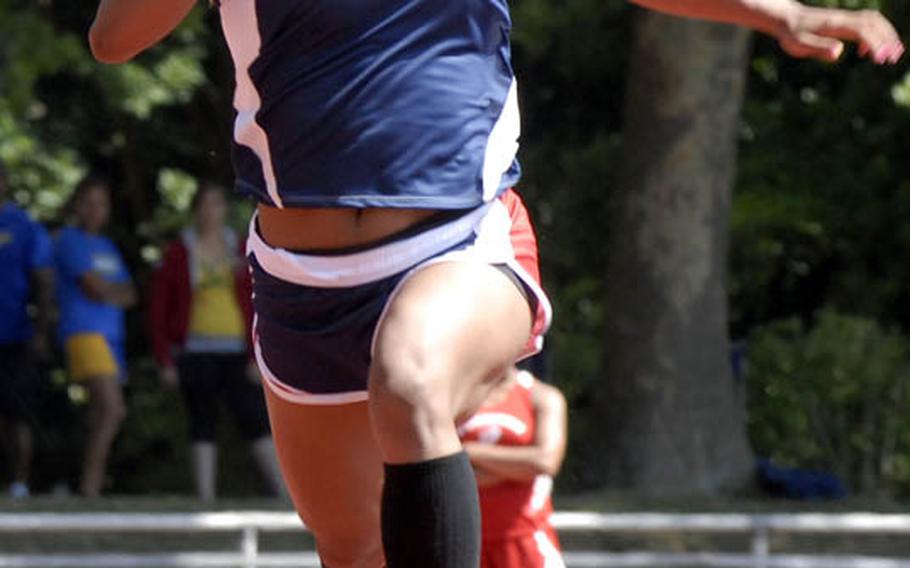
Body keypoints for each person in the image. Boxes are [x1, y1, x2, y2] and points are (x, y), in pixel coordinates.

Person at [87, 0, 902, 565]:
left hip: (458, 239)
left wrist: (778, 14)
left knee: (408, 379)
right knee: (352, 547)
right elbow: (113, 38)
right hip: (301, 279)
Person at [149, 181, 286, 502]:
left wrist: (258, 354)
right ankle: (205, 497)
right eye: (205, 204)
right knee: (202, 419)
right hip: (194, 350)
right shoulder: (178, 251)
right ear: (195, 210)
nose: (211, 211)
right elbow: (158, 310)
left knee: (254, 417)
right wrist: (164, 360)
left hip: (237, 349)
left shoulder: (240, 246)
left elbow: (258, 302)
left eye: (217, 203)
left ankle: (283, 494)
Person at [55, 175, 136, 498]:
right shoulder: (69, 240)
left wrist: (108, 292)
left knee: (98, 414)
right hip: (84, 332)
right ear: (76, 205)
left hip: (110, 336)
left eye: (101, 203)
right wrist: (109, 292)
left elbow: (129, 294)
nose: (95, 210)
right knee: (112, 409)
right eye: (89, 202)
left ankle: (80, 483)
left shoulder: (106, 246)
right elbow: (94, 288)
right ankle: (90, 486)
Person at [458, 367, 568, 568]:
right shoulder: (454, 398)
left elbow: (544, 461)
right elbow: (445, 472)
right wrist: (516, 471)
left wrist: (470, 452)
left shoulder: (541, 396)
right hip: (465, 543)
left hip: (526, 541)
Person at [0, 161, 54, 500]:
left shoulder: (24, 226)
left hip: (15, 334)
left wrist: (41, 330)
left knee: (16, 412)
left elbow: (44, 281)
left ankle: (19, 483)